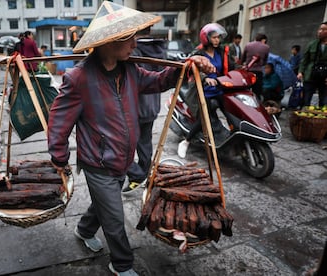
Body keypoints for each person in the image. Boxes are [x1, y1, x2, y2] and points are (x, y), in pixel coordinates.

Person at [46, 2, 215, 275]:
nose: (135, 44)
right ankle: (122, 264)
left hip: (124, 159)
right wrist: (59, 158)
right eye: (130, 37)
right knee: (114, 218)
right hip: (98, 163)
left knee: (104, 203)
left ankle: (83, 229)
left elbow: (159, 81)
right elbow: (59, 121)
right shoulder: (79, 78)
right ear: (110, 41)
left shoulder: (131, 71)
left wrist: (186, 66)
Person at [177, 23, 235, 159]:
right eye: (214, 37)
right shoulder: (198, 53)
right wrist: (205, 78)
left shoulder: (222, 52)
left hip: (220, 88)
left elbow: (231, 66)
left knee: (230, 111)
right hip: (204, 91)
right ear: (206, 38)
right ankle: (186, 141)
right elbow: (191, 67)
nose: (217, 40)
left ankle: (234, 137)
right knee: (204, 117)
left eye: (218, 37)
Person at [122, 27, 166, 194]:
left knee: (122, 146)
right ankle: (144, 173)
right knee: (145, 142)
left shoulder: (133, 50)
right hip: (152, 105)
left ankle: (137, 174)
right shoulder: (159, 48)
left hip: (135, 106)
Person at [297, 21, 327, 107]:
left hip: (324, 77)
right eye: (320, 29)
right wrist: (300, 72)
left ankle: (321, 119)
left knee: (324, 101)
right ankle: (304, 117)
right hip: (310, 75)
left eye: (323, 29)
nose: (320, 31)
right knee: (306, 99)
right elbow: (305, 60)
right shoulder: (312, 44)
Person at [241, 33, 270, 101]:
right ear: (263, 40)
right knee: (257, 92)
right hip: (258, 72)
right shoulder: (266, 47)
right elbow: (265, 61)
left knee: (246, 90)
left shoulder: (248, 45)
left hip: (248, 71)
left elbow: (242, 58)